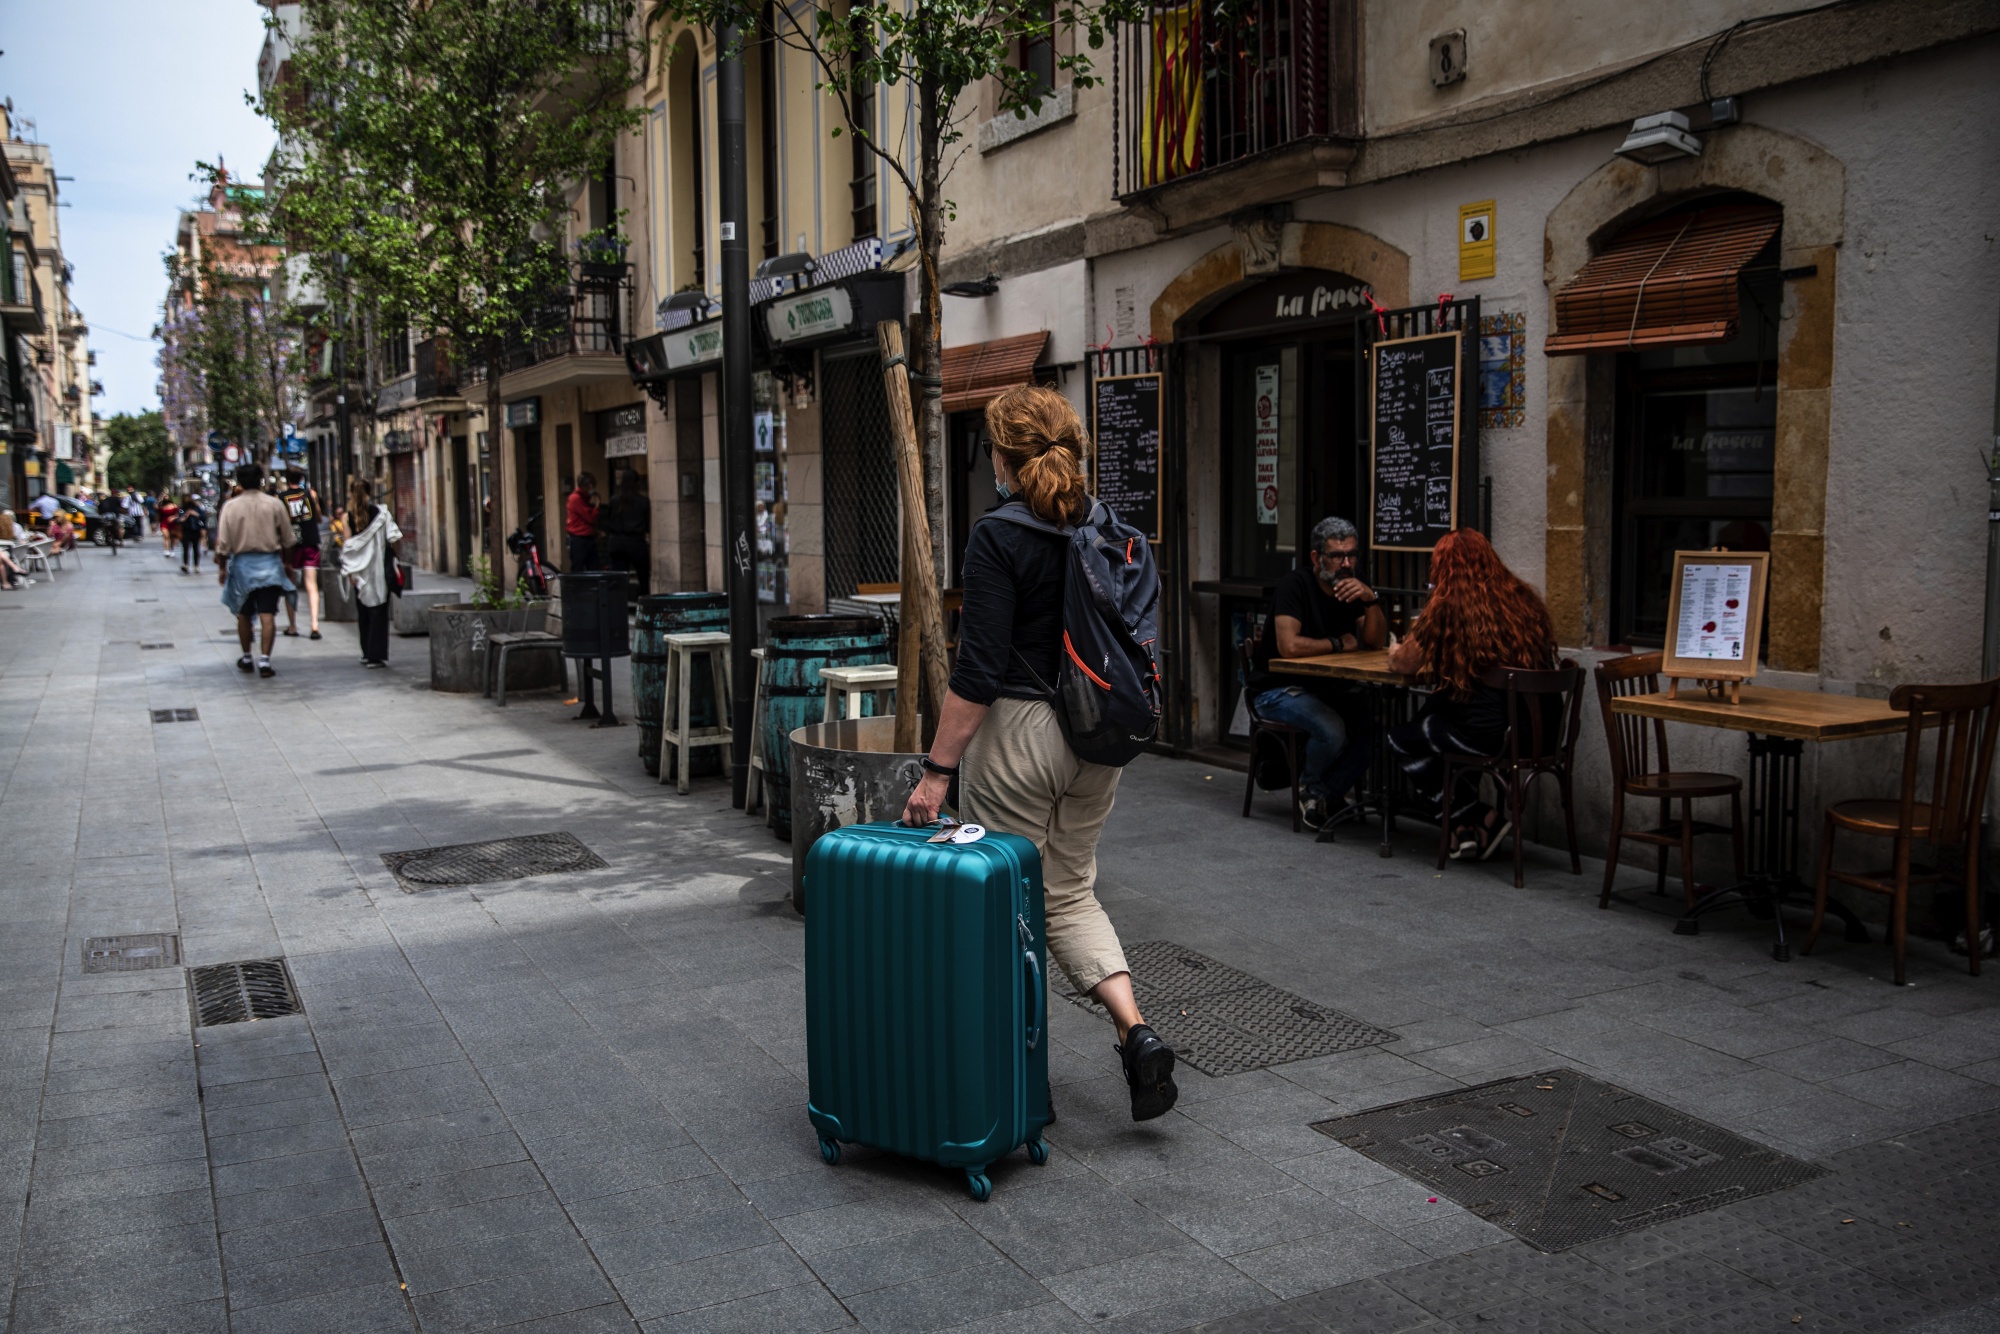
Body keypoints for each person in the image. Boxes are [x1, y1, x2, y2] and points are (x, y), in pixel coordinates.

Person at [899, 384, 1179, 1123]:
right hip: (1099, 739)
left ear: (1003, 457)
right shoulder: (1113, 528)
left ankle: (1017, 1082)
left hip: (1021, 736)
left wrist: (936, 771)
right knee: (1069, 891)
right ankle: (1135, 1032)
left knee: (1005, 903)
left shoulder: (1000, 534)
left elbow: (979, 669)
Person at [1385, 528, 1561, 860]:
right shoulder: (1523, 600)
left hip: (1494, 739)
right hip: (1543, 734)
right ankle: (1465, 828)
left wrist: (1395, 647)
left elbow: (1406, 662)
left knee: (1404, 738)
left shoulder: (1448, 607)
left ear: (1443, 570)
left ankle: (1477, 817)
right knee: (1437, 711)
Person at [1247, 516, 1388, 828]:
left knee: (1374, 726)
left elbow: (1375, 641)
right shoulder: (1295, 585)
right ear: (1316, 557)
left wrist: (1370, 600)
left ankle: (1318, 792)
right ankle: (1313, 789)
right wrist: (1337, 644)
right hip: (1276, 689)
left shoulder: (1352, 586)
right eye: (1337, 556)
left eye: (1351, 555)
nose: (1346, 563)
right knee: (1333, 729)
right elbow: (1289, 647)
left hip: (1326, 687)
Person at [214, 464, 296, 678]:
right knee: (267, 614)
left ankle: (247, 656)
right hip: (270, 566)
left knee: (243, 613)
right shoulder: (275, 504)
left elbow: (222, 543)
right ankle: (265, 661)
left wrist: (222, 568)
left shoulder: (230, 507)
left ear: (239, 482)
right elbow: (288, 539)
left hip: (242, 568)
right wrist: (288, 564)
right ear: (261, 480)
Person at [340, 478, 402, 668]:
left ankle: (366, 652)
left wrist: (350, 573)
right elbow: (394, 537)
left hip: (359, 571)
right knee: (379, 611)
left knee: (363, 611)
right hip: (379, 568)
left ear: (351, 493)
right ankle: (376, 655)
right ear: (370, 491)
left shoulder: (346, 517)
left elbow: (348, 547)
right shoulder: (382, 513)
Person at [279, 467, 325, 640]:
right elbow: (319, 518)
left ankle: (292, 626)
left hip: (291, 546)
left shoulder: (281, 498)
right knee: (311, 585)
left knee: (290, 587)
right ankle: (314, 625)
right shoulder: (310, 495)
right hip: (310, 542)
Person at [564, 471, 600, 572]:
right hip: (579, 539)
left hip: (588, 538)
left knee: (594, 567)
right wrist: (597, 505)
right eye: (591, 486)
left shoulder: (584, 499)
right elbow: (590, 518)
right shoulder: (576, 499)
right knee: (578, 568)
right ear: (587, 485)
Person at [176, 496, 206, 573]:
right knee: (186, 548)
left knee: (196, 549)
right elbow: (179, 520)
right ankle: (186, 564)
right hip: (186, 531)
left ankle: (196, 565)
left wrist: (195, 514)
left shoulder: (197, 509)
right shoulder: (182, 510)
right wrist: (186, 515)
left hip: (196, 530)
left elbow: (203, 517)